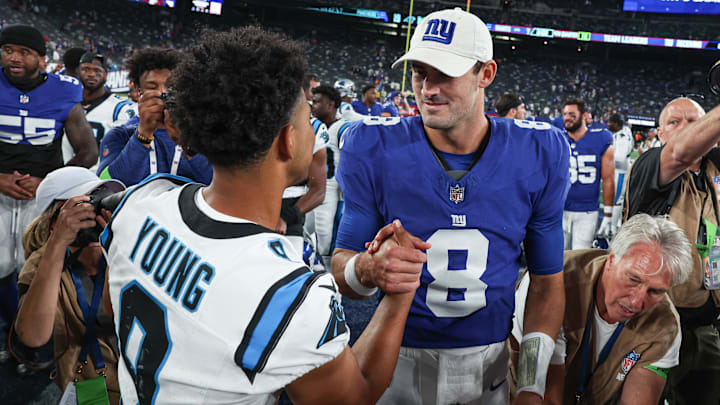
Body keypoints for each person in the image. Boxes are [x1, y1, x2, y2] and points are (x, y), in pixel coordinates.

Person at [102, 26, 421, 405]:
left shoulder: (143, 201)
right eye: (305, 120)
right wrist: (400, 291)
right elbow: (354, 395)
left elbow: (110, 306)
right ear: (287, 140)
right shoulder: (290, 292)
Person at [332, 8, 570, 404]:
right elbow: (342, 273)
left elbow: (547, 283)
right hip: (395, 358)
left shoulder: (539, 151)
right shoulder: (372, 146)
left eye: (444, 74)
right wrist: (367, 269)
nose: (427, 88)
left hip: (490, 362)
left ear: (486, 74)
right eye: (419, 72)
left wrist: (530, 385)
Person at [511, 214, 691, 404]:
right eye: (632, 280)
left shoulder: (665, 326)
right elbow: (545, 395)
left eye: (655, 291)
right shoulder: (551, 284)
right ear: (611, 260)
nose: (636, 302)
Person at [0, 25, 97, 330]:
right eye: (7, 50)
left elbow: (88, 151)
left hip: (40, 195)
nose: (14, 58)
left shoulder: (64, 90)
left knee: (36, 265)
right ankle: (11, 329)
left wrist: (47, 184)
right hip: (0, 190)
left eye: (24, 52)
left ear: (42, 59)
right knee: (1, 266)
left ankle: (30, 333)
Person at [625, 97, 720, 405]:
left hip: (706, 325)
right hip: (649, 324)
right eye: (674, 122)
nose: (684, 129)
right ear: (660, 133)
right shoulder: (650, 164)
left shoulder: (713, 171)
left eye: (694, 122)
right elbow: (680, 154)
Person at [10, 166, 125, 402]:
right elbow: (32, 338)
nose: (96, 214)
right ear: (56, 217)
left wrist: (118, 248)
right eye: (85, 207)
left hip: (141, 380)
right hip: (91, 383)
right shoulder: (43, 262)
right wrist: (58, 242)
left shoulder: (118, 249)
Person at [96, 47, 212, 186]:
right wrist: (143, 134)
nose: (163, 92)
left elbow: (219, 185)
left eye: (171, 86)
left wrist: (187, 143)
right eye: (152, 87)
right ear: (139, 93)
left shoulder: (205, 134)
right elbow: (112, 186)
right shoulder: (119, 135)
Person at [62, 52, 134, 171]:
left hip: (101, 181)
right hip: (64, 176)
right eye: (86, 69)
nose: (91, 74)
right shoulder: (66, 104)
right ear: (78, 72)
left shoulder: (121, 109)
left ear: (105, 75)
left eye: (97, 71)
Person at [562, 98, 615, 249]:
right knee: (557, 260)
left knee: (579, 259)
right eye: (565, 114)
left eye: (572, 114)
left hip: (587, 212)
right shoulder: (558, 138)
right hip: (560, 209)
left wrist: (608, 214)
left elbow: (608, 179)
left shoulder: (600, 138)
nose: (567, 118)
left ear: (584, 115)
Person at [310, 84, 353, 266]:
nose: (313, 106)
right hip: (311, 188)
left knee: (327, 235)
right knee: (312, 235)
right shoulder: (312, 125)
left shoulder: (343, 128)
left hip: (334, 190)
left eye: (318, 102)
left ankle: (328, 274)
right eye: (313, 101)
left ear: (331, 105)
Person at [607, 113, 634, 234]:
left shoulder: (622, 136)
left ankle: (612, 229)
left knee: (616, 199)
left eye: (610, 122)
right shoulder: (624, 131)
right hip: (619, 170)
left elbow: (620, 157)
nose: (608, 125)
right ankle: (615, 224)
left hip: (620, 170)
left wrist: (605, 156)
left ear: (617, 124)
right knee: (617, 199)